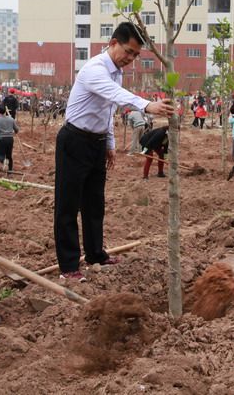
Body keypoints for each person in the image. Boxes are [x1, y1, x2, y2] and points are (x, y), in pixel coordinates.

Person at [55, 22, 174, 281]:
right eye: (128, 52)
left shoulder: (117, 71)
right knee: (68, 205)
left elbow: (106, 109)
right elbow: (116, 95)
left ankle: (96, 254)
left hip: (96, 143)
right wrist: (146, 105)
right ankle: (68, 266)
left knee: (94, 202)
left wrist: (108, 143)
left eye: (135, 55)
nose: (130, 59)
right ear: (112, 43)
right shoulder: (94, 69)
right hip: (74, 140)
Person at [0, 104, 19, 171]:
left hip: (1, 139)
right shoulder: (11, 119)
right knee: (9, 155)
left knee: (0, 156)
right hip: (10, 139)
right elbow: (16, 129)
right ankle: (10, 170)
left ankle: (3, 164)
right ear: (5, 111)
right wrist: (15, 132)